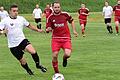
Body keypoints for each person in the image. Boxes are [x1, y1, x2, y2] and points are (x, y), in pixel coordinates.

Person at [0, 4, 47, 75]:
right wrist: (3, 32)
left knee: (33, 51)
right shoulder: (5, 21)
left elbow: (29, 25)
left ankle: (38, 65)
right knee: (23, 61)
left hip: (22, 40)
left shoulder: (21, 19)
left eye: (17, 11)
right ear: (10, 12)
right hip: (13, 45)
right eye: (14, 11)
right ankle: (29, 70)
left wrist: (38, 30)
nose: (16, 12)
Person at [46, 2, 78, 73]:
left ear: (60, 7)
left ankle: (64, 59)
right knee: (55, 55)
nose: (57, 9)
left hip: (66, 38)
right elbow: (48, 28)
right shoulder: (50, 17)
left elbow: (72, 21)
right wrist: (48, 29)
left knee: (68, 54)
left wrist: (74, 30)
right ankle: (57, 72)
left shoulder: (65, 14)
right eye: (55, 7)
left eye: (58, 7)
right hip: (56, 39)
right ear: (52, 8)